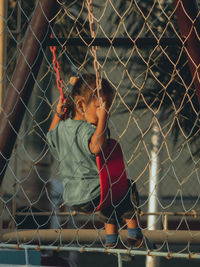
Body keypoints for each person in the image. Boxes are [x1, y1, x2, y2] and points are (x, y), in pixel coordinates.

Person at [47, 73, 144, 248]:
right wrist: (103, 119)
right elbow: (97, 147)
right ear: (81, 105)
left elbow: (50, 135)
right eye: (100, 107)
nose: (104, 112)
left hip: (72, 197)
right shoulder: (85, 130)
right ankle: (134, 231)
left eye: (107, 108)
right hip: (94, 194)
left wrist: (57, 113)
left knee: (111, 194)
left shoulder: (61, 129)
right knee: (126, 187)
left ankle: (111, 238)